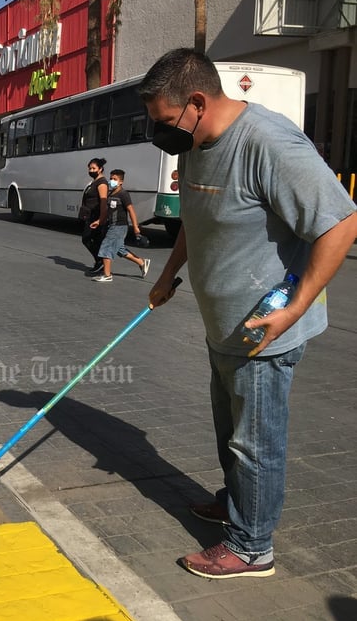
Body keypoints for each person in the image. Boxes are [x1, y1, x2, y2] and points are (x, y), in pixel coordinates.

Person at [140, 48, 357, 579]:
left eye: (165, 123)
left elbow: (341, 224)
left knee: (254, 442)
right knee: (229, 432)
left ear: (196, 102)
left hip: (267, 329)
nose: (160, 135)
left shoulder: (268, 142)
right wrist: (170, 274)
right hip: (223, 327)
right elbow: (196, 214)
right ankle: (239, 503)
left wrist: (295, 308)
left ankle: (251, 545)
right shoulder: (194, 143)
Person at [90, 169, 150, 282]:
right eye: (111, 178)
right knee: (119, 249)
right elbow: (108, 210)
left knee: (106, 246)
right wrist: (99, 221)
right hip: (111, 225)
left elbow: (131, 210)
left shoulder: (123, 194)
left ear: (121, 182)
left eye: (115, 179)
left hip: (119, 226)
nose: (111, 181)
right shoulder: (111, 193)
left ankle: (107, 275)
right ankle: (142, 262)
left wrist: (136, 227)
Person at [79, 158, 109, 274]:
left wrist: (101, 219)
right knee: (96, 240)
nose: (91, 170)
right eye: (90, 168)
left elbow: (103, 201)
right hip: (90, 215)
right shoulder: (95, 181)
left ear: (100, 169)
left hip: (96, 216)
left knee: (86, 238)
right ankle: (99, 262)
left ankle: (100, 261)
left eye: (93, 168)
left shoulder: (101, 183)